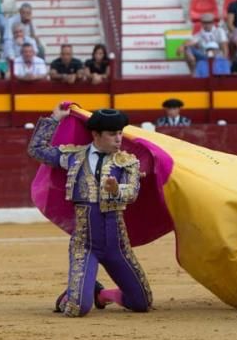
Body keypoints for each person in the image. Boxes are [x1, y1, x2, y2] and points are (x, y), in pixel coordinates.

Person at [27, 105, 152, 317]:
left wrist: (116, 189)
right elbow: (36, 150)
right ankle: (73, 294)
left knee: (141, 303)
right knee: (78, 309)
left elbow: (132, 192)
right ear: (96, 134)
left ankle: (101, 294)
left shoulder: (127, 162)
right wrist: (54, 119)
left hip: (117, 245)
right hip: (85, 244)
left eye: (120, 133)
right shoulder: (74, 157)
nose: (119, 138)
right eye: (112, 134)